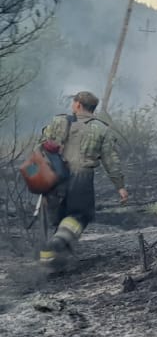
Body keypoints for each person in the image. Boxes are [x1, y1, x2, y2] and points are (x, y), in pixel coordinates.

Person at [37, 91, 127, 271]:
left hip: (54, 178)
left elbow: (39, 149)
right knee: (79, 215)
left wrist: (35, 174)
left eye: (73, 102)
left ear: (78, 105)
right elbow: (111, 160)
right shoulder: (102, 130)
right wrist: (120, 187)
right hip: (81, 178)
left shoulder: (58, 122)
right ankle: (58, 244)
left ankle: (47, 265)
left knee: (57, 219)